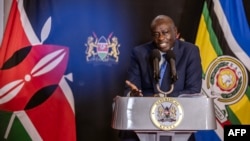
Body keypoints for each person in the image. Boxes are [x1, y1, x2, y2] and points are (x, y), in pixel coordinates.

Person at [119, 15, 202, 141]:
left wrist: (161, 99)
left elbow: (194, 90)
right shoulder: (140, 52)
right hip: (143, 121)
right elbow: (130, 88)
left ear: (176, 32)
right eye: (156, 34)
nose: (161, 38)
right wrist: (134, 95)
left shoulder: (190, 51)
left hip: (177, 122)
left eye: (165, 33)